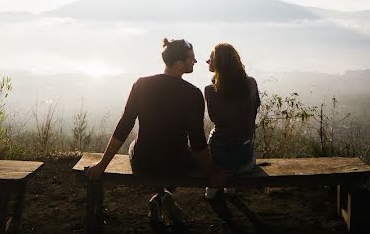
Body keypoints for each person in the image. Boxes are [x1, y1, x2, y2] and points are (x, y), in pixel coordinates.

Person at [86, 38, 222, 224]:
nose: (196, 61)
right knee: (176, 150)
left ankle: (160, 196)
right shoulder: (193, 94)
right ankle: (163, 197)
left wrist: (102, 165)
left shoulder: (141, 85)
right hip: (178, 164)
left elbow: (124, 125)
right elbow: (197, 140)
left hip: (145, 162)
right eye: (191, 58)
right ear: (178, 63)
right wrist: (211, 173)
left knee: (136, 144)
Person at [203, 42, 260, 199]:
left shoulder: (210, 89)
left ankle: (212, 190)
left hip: (219, 160)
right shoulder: (251, 83)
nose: (207, 62)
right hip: (245, 161)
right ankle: (230, 188)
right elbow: (254, 110)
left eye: (210, 59)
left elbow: (216, 119)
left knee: (215, 133)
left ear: (219, 63)